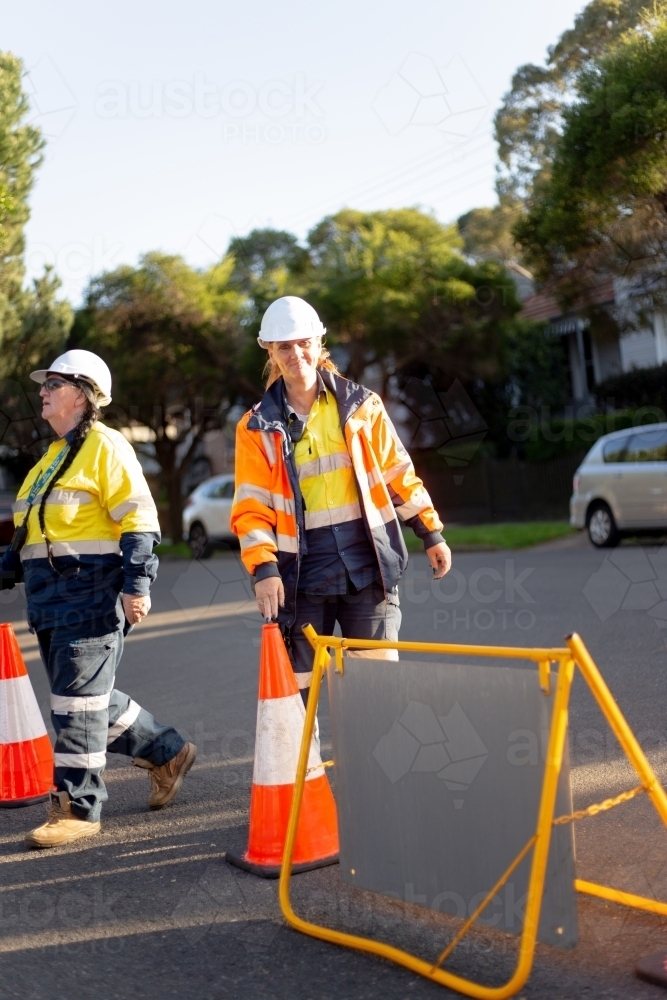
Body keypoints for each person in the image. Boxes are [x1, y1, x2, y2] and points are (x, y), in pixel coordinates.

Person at [0, 350, 196, 848]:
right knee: (87, 700)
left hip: (91, 592)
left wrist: (137, 584)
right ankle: (168, 751)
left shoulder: (107, 447)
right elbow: (26, 537)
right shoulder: (49, 460)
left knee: (73, 705)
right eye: (44, 384)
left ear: (83, 395)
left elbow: (139, 520)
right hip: (48, 599)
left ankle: (78, 808)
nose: (42, 390)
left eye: (55, 384)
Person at [231, 296, 451, 699]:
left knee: (378, 689)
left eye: (303, 343)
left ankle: (371, 764)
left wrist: (430, 531)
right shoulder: (256, 427)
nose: (296, 353)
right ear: (270, 352)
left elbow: (397, 472)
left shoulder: (362, 406)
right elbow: (252, 508)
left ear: (318, 342)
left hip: (367, 567)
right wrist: (264, 570)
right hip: (302, 577)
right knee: (299, 696)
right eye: (284, 346)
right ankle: (308, 766)